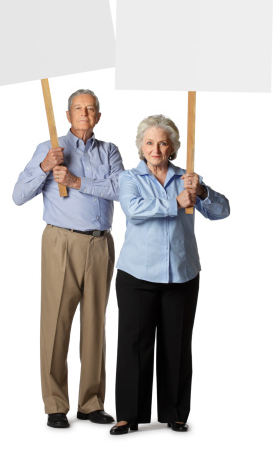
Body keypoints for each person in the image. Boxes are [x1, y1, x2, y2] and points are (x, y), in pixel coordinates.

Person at [110, 114, 230, 435]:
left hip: (182, 274)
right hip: (137, 275)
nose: (156, 148)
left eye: (163, 142)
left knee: (176, 344)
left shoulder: (188, 178)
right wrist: (174, 202)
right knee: (134, 344)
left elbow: (222, 211)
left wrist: (202, 191)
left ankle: (175, 413)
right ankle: (128, 415)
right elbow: (134, 209)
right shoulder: (129, 179)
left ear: (173, 147)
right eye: (149, 142)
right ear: (140, 147)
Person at [13, 89, 124, 428]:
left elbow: (121, 191)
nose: (84, 114)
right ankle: (55, 404)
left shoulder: (110, 151)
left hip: (100, 243)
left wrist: (77, 181)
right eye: (78, 108)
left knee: (95, 325)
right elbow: (18, 195)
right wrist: (46, 166)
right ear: (67, 114)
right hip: (61, 241)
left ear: (98, 117)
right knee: (56, 322)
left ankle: (90, 403)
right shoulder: (50, 148)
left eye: (91, 109)